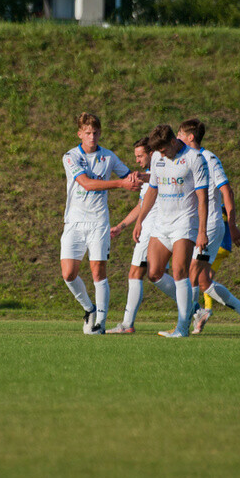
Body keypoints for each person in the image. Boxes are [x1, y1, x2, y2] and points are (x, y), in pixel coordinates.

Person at [61, 112, 140, 334]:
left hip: (98, 222)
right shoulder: (70, 157)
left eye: (95, 133)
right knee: (68, 274)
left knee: (98, 271)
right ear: (80, 134)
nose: (92, 136)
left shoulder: (108, 157)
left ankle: (100, 324)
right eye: (88, 133)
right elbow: (86, 183)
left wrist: (154, 176)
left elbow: (130, 176)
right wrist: (120, 184)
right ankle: (89, 308)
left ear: (100, 133)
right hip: (74, 223)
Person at [176, 119, 240, 338]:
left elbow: (227, 191)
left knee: (190, 273)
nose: (177, 137)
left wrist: (232, 225)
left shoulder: (208, 158)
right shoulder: (184, 160)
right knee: (203, 281)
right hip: (193, 224)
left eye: (180, 134)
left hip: (209, 225)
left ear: (191, 137)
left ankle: (185, 324)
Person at [132, 124, 209, 338]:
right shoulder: (157, 157)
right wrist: (140, 220)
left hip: (185, 222)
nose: (162, 155)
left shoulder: (195, 159)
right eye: (158, 151)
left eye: (164, 150)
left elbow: (203, 198)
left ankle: (182, 328)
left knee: (178, 273)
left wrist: (202, 231)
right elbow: (153, 191)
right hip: (162, 223)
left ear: (174, 141)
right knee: (154, 273)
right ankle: (194, 309)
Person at [106, 137, 180, 334]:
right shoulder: (153, 173)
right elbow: (141, 205)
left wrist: (138, 224)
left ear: (151, 153)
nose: (137, 160)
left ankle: (127, 324)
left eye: (140, 156)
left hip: (150, 230)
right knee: (156, 275)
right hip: (153, 229)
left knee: (136, 273)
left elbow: (148, 205)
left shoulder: (157, 173)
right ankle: (193, 308)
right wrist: (122, 226)